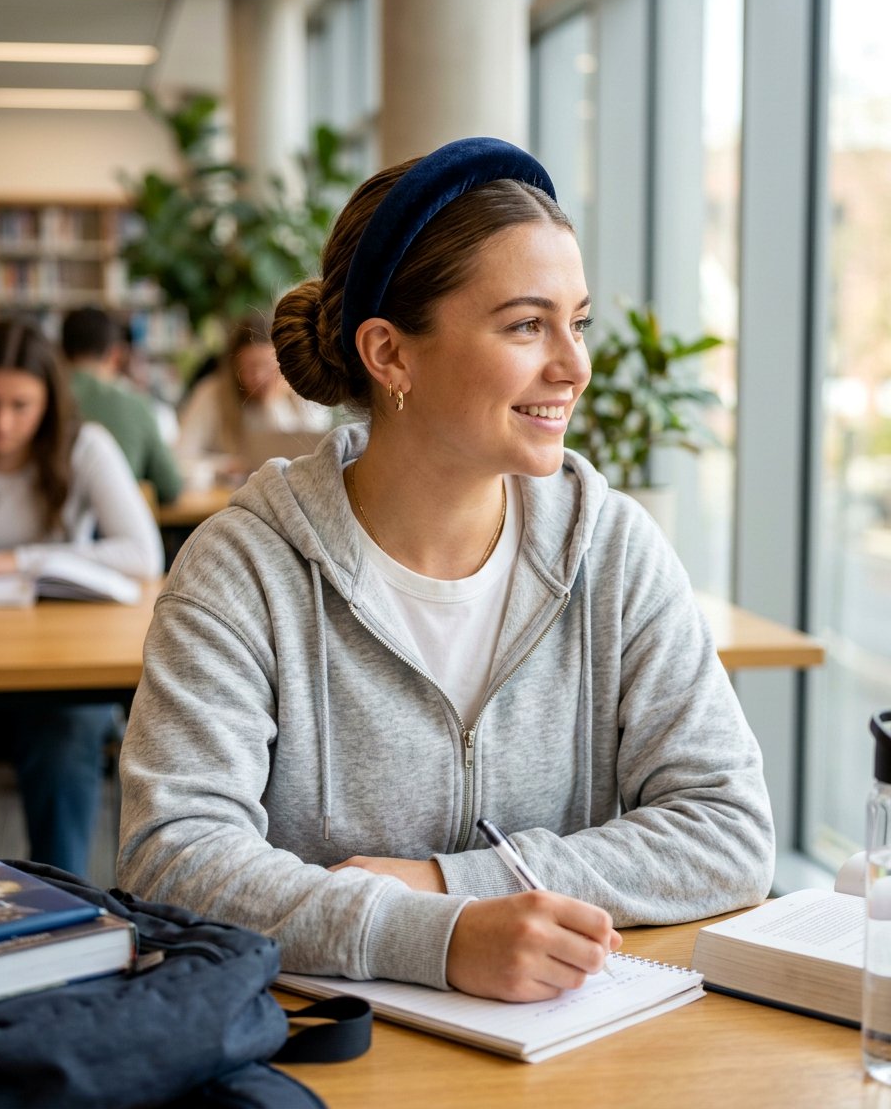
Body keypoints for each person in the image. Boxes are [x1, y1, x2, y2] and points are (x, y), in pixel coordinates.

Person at [118, 137, 774, 1003]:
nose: (574, 366)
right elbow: (171, 856)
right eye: (527, 325)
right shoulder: (243, 568)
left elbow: (729, 831)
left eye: (577, 323)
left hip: (570, 1049)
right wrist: (437, 937)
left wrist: (447, 884)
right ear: (390, 354)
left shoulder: (613, 548)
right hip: (319, 1047)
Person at [0, 318, 164, 876]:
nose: (3, 423)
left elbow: (143, 554)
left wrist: (24, 559)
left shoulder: (84, 445)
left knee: (66, 731)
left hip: (59, 663)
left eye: (20, 405)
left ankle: (62, 896)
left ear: (49, 401)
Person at [174, 312, 332, 485]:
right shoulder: (212, 394)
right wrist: (222, 466)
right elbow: (181, 457)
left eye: (266, 366)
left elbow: (311, 457)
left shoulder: (305, 394)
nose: (258, 376)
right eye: (249, 368)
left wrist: (273, 404)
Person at [61, 306, 183, 505]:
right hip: (117, 516)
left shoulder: (42, 399)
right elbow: (170, 486)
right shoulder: (135, 403)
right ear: (116, 353)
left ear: (60, 351)